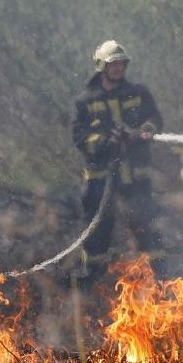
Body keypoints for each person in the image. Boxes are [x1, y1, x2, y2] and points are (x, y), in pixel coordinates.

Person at [71, 40, 164, 274]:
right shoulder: (86, 100)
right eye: (113, 64)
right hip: (101, 178)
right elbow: (79, 138)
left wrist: (143, 131)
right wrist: (105, 143)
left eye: (122, 64)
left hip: (135, 175)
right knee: (98, 229)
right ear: (102, 66)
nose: (118, 68)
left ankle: (162, 275)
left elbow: (154, 119)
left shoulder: (138, 93)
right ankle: (91, 279)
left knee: (146, 223)